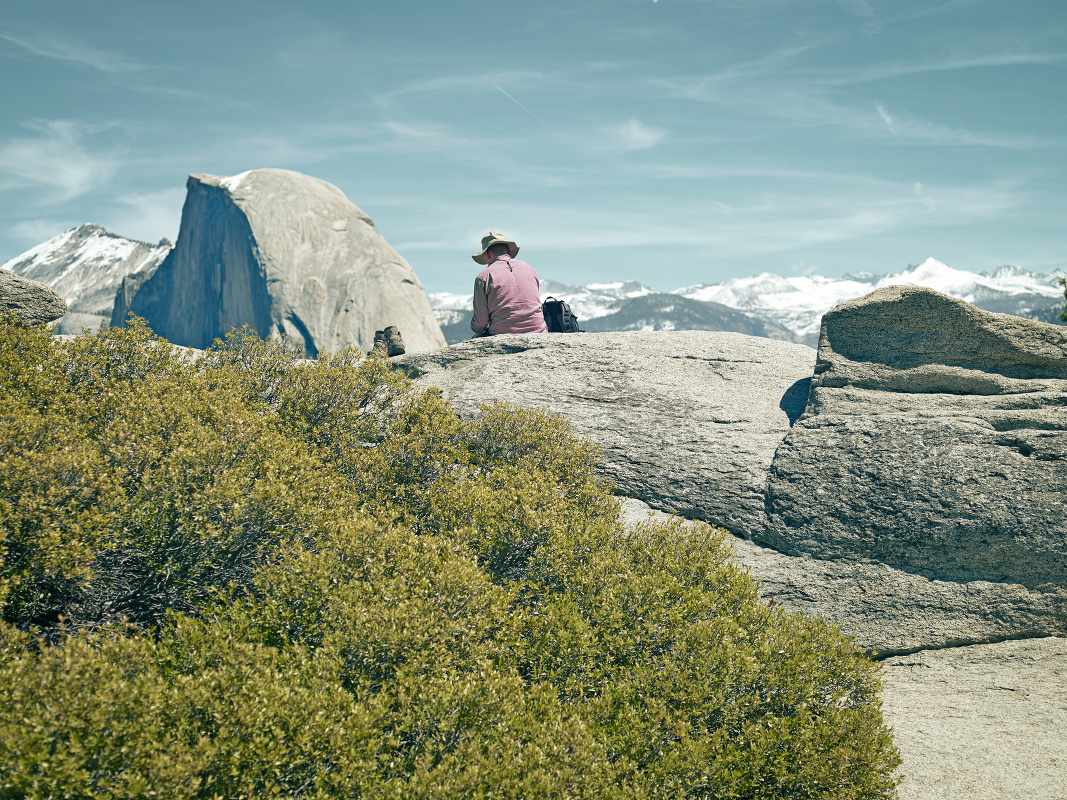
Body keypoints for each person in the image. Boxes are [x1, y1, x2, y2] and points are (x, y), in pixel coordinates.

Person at [470, 231, 548, 337]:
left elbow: (480, 323)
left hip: (502, 335)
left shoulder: (483, 277)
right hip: (539, 332)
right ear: (509, 252)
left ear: (487, 254)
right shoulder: (529, 269)